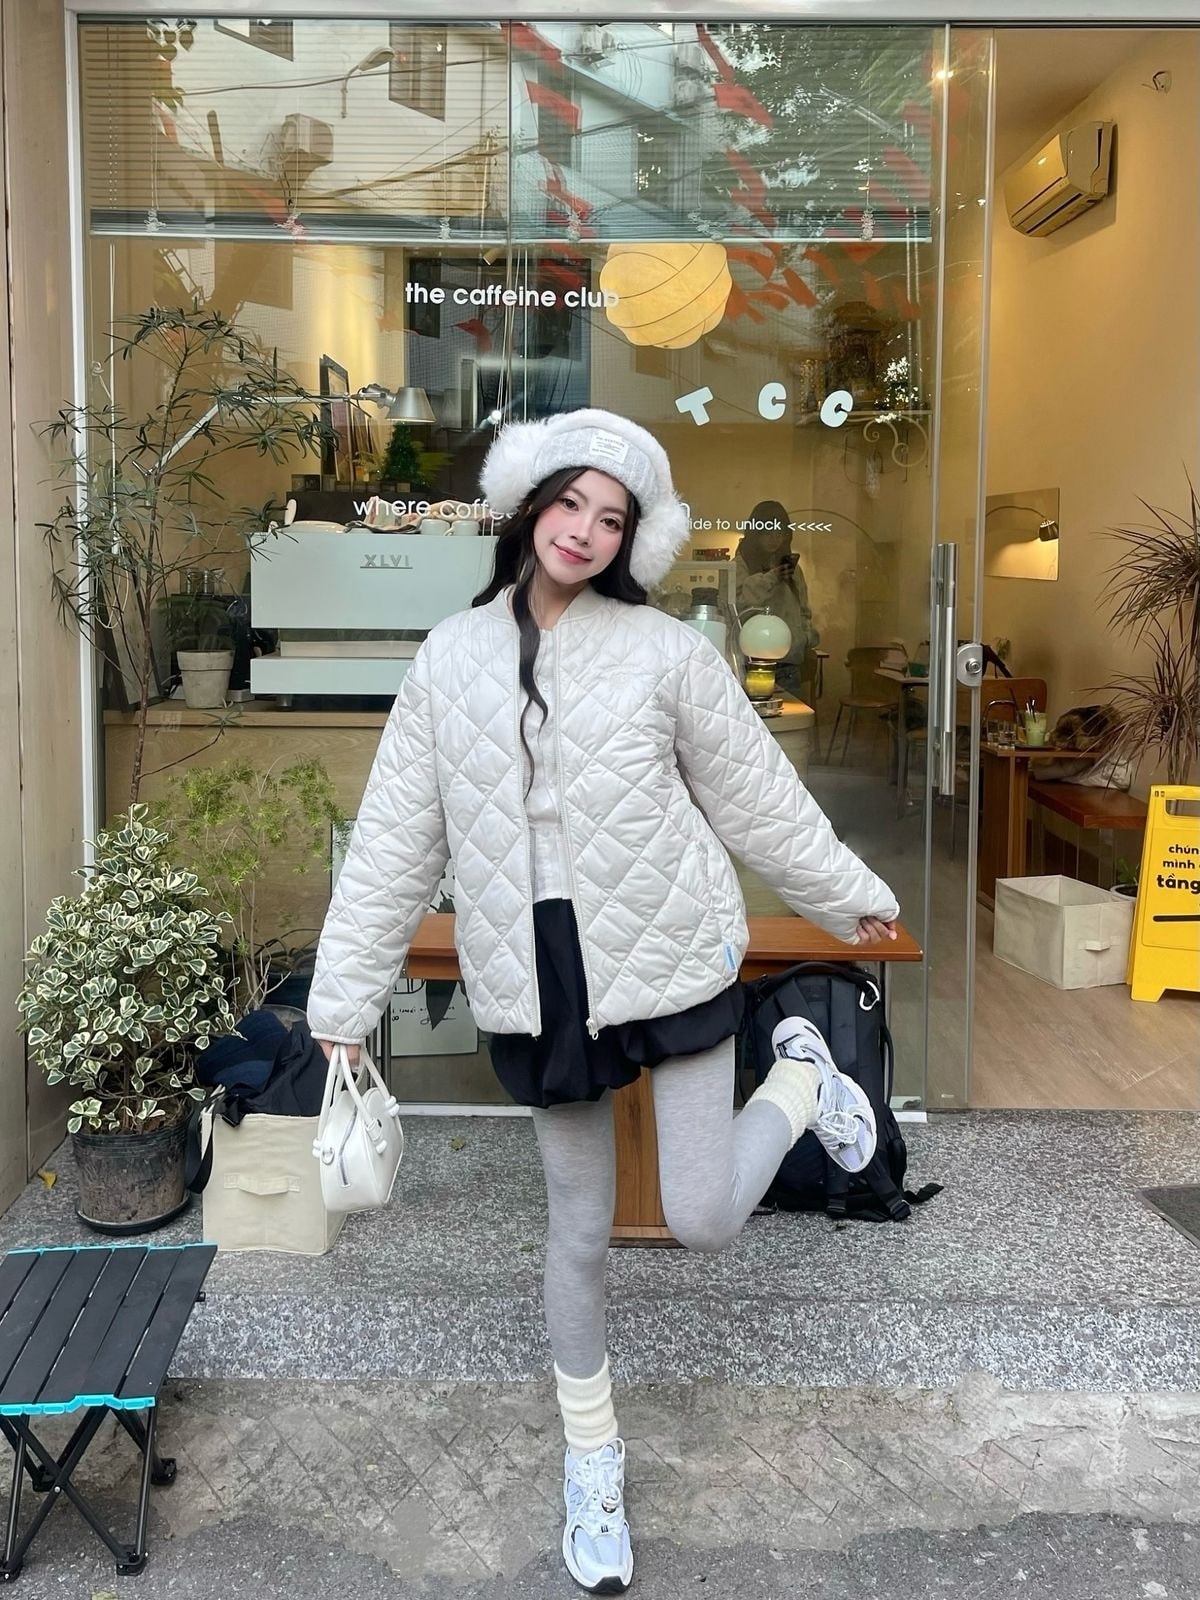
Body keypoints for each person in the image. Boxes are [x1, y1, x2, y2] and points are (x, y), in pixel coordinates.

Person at [307, 409, 899, 1595]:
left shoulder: (665, 652)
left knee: (699, 1215)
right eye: (569, 502)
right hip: (537, 973)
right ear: (530, 506)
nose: (583, 530)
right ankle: (594, 1459)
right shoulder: (450, 657)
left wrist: (849, 897)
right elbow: (393, 841)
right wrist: (345, 995)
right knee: (576, 1229)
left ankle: (800, 1078)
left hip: (669, 944)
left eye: (612, 517)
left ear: (633, 539)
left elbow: (756, 795)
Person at [734, 500, 818, 697]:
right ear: (756, 534)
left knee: (793, 715)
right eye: (768, 532)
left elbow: (804, 610)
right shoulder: (738, 566)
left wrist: (805, 639)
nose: (775, 538)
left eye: (780, 533)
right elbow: (738, 607)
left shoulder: (793, 570)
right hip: (753, 662)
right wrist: (771, 578)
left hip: (789, 663)